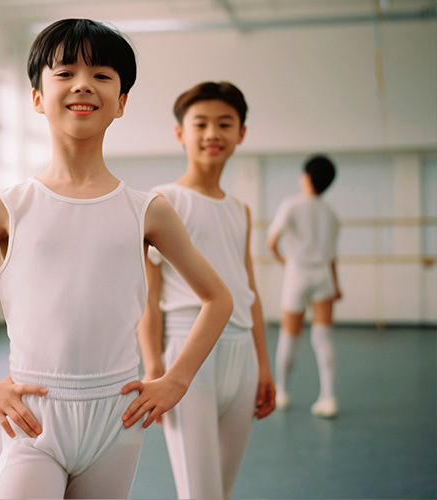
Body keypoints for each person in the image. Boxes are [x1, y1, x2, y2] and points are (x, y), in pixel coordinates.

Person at [0, 19, 233, 500]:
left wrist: (176, 379)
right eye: (65, 73)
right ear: (37, 96)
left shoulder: (147, 210)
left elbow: (217, 298)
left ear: (122, 102)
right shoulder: (8, 205)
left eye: (102, 74)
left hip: (117, 419)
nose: (83, 83)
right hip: (35, 417)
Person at [138, 81, 276, 500]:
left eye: (224, 123)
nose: (212, 133)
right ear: (181, 133)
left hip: (242, 354)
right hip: (187, 351)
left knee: (222, 490)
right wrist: (153, 367)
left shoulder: (240, 209)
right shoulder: (163, 200)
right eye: (201, 123)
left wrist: (264, 364)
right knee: (201, 493)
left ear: (241, 134)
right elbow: (149, 294)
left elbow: (247, 287)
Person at [267, 154, 341, 418]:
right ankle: (329, 397)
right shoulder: (331, 214)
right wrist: (337, 285)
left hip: (297, 273)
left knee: (290, 335)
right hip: (323, 276)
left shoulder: (291, 205)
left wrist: (284, 261)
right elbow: (332, 257)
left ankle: (283, 393)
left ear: (307, 177)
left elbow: (272, 242)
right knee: (323, 337)